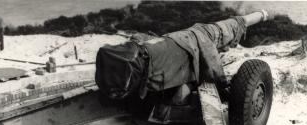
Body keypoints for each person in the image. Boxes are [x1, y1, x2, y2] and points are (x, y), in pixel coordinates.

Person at [96, 10, 269, 102]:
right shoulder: (203, 38)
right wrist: (223, 87)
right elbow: (213, 67)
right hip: (182, 47)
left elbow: (143, 40)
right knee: (182, 93)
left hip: (163, 49)